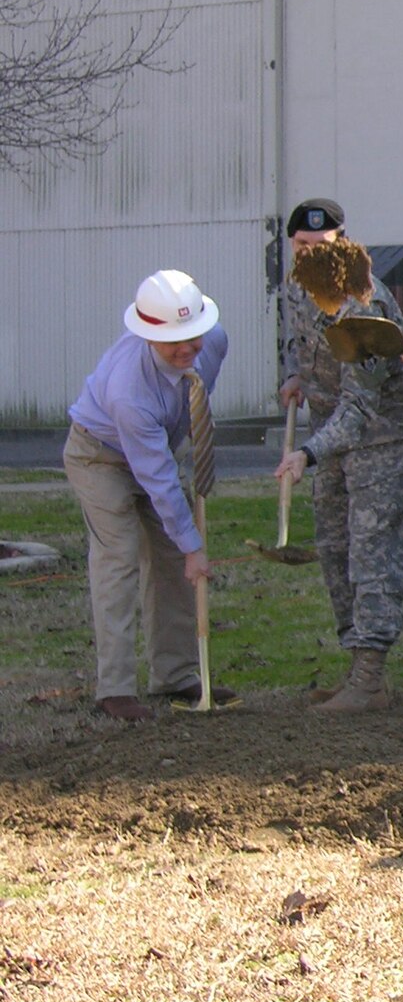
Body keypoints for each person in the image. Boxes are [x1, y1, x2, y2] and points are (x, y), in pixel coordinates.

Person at [275, 200, 403, 712]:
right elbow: (299, 344)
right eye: (301, 248)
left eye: (322, 247)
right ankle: (356, 669)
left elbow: (360, 408)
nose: (310, 256)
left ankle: (370, 673)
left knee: (371, 555)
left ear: (345, 245)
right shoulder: (299, 290)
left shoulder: (366, 309)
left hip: (381, 441)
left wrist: (306, 455)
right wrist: (295, 376)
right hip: (329, 436)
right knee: (335, 550)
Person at [64, 270, 232, 721]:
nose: (187, 349)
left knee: (173, 559)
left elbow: (189, 409)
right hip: (99, 455)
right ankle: (114, 689)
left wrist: (185, 550)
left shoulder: (214, 341)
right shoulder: (128, 391)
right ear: (147, 335)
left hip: (154, 446)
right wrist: (195, 545)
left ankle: (175, 674)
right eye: (172, 341)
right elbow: (157, 477)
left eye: (192, 336)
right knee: (118, 557)